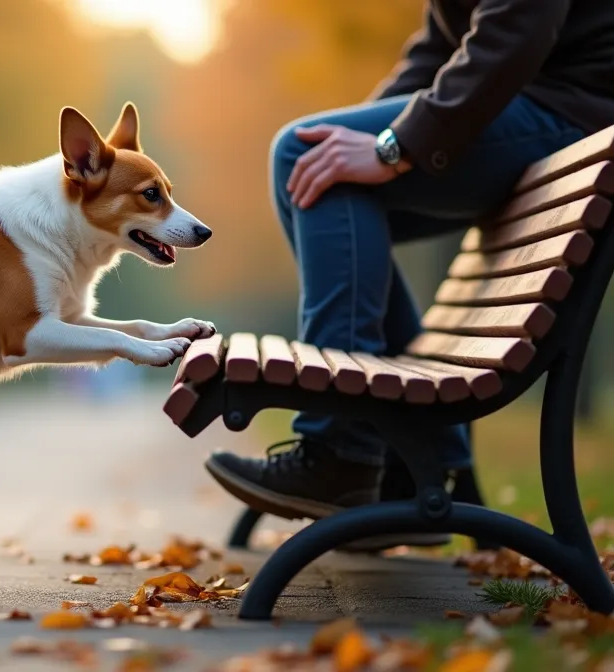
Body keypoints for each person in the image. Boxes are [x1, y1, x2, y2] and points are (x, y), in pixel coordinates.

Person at [205, 1, 614, 531]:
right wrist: (362, 142)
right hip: (541, 103)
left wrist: (391, 147)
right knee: (320, 159)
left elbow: (517, 29)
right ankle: (410, 456)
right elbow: (438, 48)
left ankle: (343, 448)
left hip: (568, 112)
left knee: (304, 155)